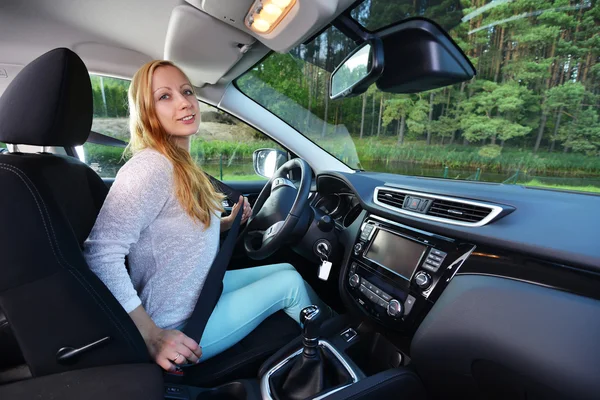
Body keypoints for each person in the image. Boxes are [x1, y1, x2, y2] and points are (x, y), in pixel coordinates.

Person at [83, 60, 329, 372]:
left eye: (186, 91)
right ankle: (339, 345)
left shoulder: (179, 165)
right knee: (289, 285)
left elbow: (174, 230)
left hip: (202, 291)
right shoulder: (149, 168)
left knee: (287, 269)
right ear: (146, 111)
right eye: (165, 96)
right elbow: (100, 254)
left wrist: (226, 223)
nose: (185, 102)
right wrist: (151, 335)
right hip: (180, 321)